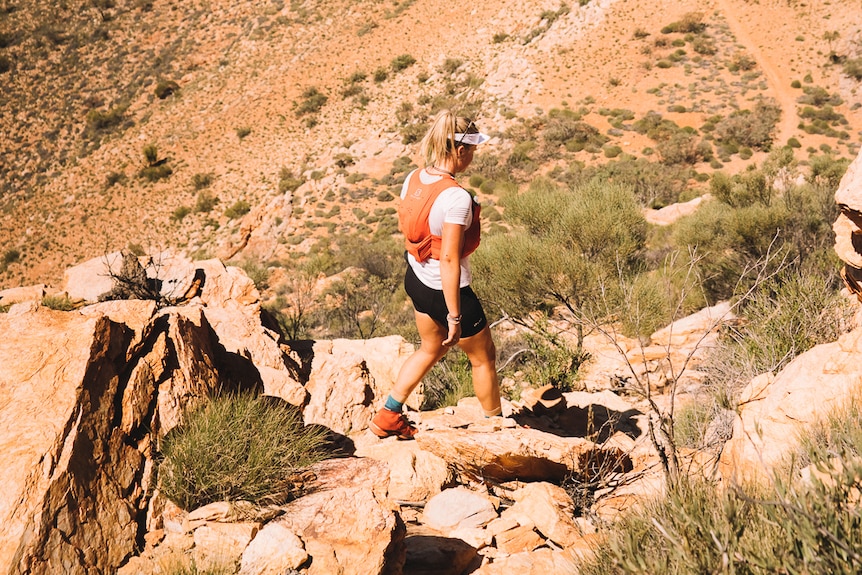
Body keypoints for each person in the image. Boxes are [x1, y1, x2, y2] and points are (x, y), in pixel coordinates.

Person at [370, 110, 502, 440]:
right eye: (472, 150)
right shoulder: (456, 197)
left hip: (415, 280)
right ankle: (498, 429)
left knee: (430, 348)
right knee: (483, 359)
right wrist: (455, 316)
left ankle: (388, 414)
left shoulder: (414, 178)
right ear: (459, 150)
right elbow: (448, 260)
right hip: (445, 291)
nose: (473, 156)